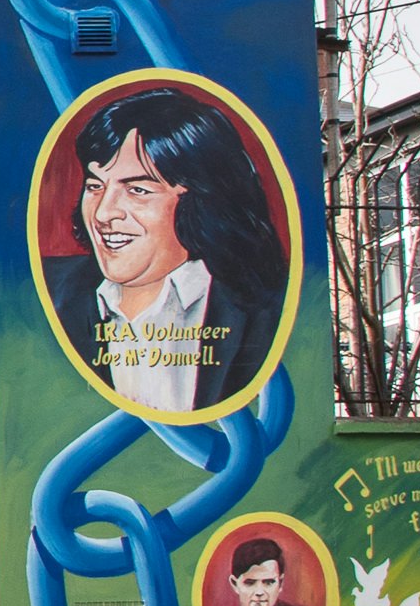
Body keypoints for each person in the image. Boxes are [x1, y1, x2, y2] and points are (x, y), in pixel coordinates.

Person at [47, 86, 287, 416]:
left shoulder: (265, 303)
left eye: (137, 190)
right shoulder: (46, 291)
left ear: (201, 199)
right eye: (94, 186)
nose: (103, 213)